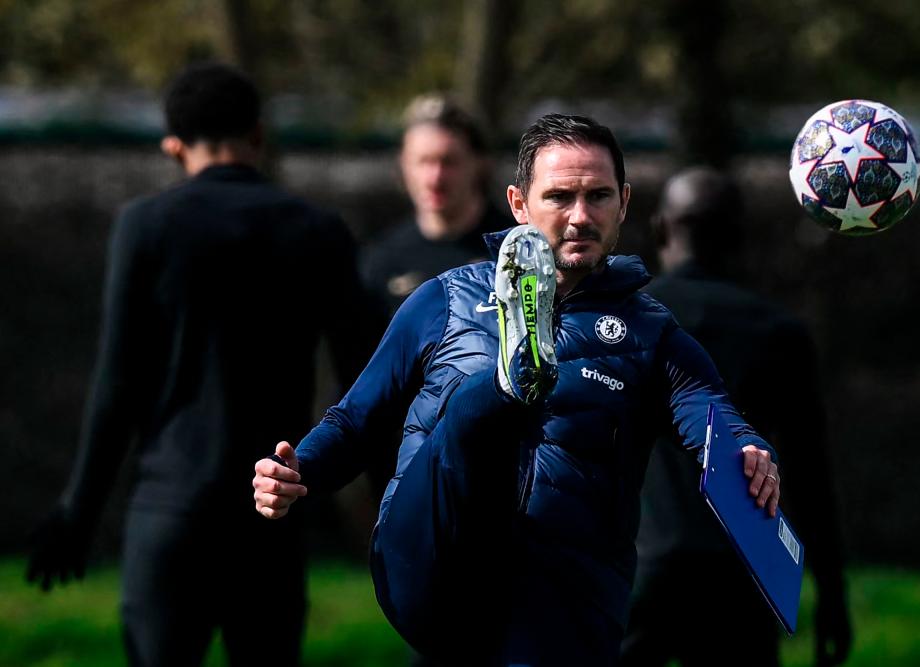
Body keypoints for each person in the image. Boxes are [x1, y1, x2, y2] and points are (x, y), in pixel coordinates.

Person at [253, 115, 784, 666]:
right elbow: (357, 418)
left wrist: (745, 449)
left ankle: (510, 378)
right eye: (560, 197)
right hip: (437, 560)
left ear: (624, 203)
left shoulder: (654, 336)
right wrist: (300, 471)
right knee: (463, 417)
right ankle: (509, 381)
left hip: (564, 599)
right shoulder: (445, 300)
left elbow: (710, 410)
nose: (580, 216)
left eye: (598, 196)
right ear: (518, 204)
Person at [26, 63, 377, 667]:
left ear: (172, 146)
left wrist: (77, 510)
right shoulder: (318, 231)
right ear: (259, 135)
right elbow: (363, 387)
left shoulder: (146, 227)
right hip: (271, 511)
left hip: (171, 506)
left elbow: (118, 383)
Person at [621, 167, 852, 667]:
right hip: (741, 570)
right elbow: (809, 471)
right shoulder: (778, 332)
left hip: (640, 563)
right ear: (740, 237)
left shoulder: (625, 321)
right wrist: (832, 593)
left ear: (661, 228)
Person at [362, 93, 511, 314]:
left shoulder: (514, 250)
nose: (435, 178)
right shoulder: (382, 262)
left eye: (448, 162)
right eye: (423, 162)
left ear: (479, 164)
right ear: (403, 165)